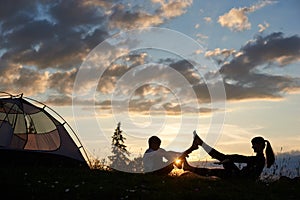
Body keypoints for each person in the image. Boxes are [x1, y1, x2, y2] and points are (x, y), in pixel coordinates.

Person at [183, 131, 275, 180]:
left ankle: (190, 167)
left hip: (239, 179)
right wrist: (228, 159)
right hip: (239, 176)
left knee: (214, 171)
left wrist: (229, 158)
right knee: (222, 158)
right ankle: (200, 143)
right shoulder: (259, 158)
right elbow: (243, 159)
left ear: (260, 145)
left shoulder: (259, 159)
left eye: (254, 144)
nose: (252, 147)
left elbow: (242, 158)